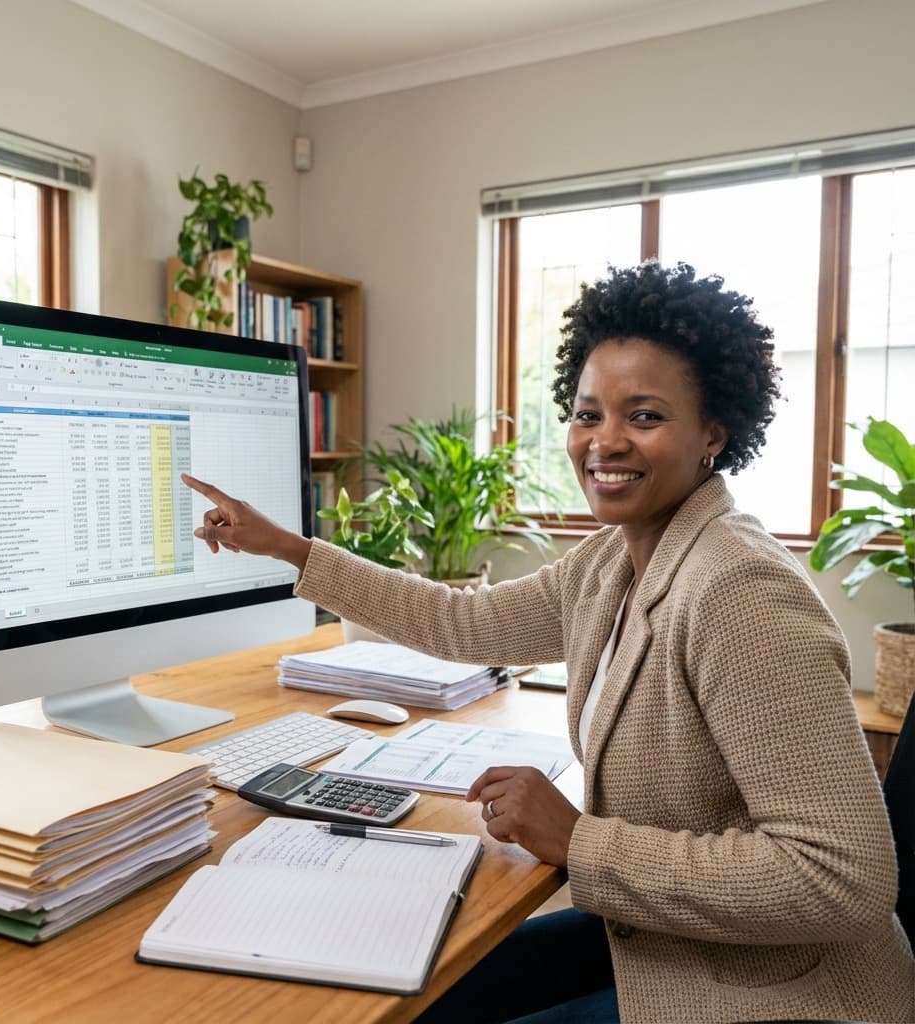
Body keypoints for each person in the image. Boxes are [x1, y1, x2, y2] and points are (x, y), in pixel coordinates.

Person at [181, 262, 914, 1024]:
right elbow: (462, 623)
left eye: (646, 416)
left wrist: (579, 841)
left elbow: (844, 877)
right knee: (416, 994)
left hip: (780, 992)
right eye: (588, 414)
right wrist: (294, 550)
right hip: (683, 940)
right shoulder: (614, 560)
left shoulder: (739, 591)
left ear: (713, 434)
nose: (606, 442)